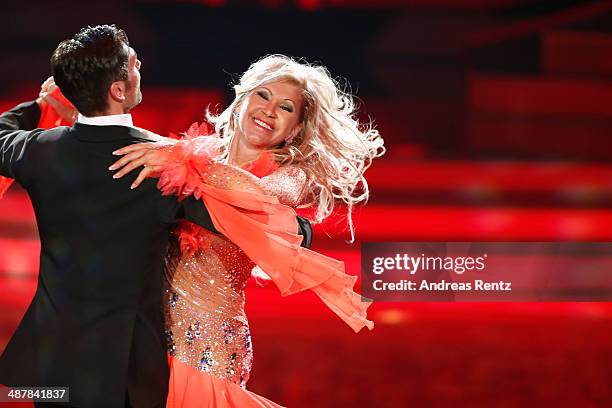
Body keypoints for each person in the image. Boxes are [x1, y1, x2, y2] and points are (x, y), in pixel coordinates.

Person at [0, 26, 311, 408]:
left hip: (75, 359)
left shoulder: (42, 151)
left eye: (285, 106)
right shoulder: (163, 164)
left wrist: (43, 108)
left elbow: (6, 135)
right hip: (132, 361)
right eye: (133, 62)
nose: (140, 64)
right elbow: (243, 216)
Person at [110, 54, 385, 406]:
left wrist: (175, 158)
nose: (269, 110)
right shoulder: (192, 154)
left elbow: (252, 195)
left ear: (297, 128)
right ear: (241, 100)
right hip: (150, 336)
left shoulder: (292, 177)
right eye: (263, 96)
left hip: (208, 345)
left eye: (286, 108)